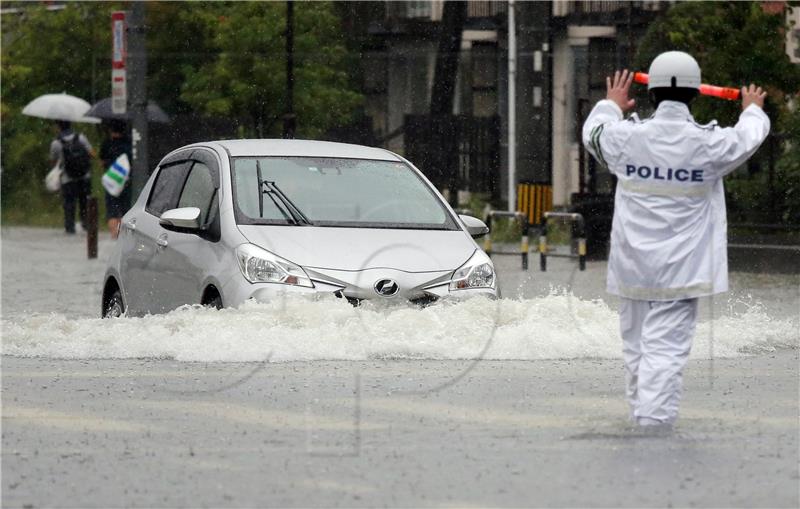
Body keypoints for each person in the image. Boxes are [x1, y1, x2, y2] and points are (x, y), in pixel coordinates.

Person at [581, 52, 770, 429]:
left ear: (650, 93)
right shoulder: (709, 145)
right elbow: (749, 137)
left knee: (636, 350)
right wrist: (751, 108)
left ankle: (641, 418)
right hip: (682, 270)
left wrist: (611, 104)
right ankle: (653, 428)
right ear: (696, 93)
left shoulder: (625, 140)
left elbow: (593, 133)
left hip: (633, 267)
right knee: (664, 352)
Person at [50, 120, 95, 234]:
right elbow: (92, 153)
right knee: (84, 201)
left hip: (67, 178)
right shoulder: (81, 138)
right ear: (70, 125)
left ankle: (70, 227)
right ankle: (86, 225)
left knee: (69, 203)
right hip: (84, 176)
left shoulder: (56, 143)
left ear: (58, 127)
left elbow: (53, 161)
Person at [99, 119, 133, 239]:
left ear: (110, 129)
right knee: (125, 209)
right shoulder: (129, 144)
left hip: (111, 181)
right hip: (126, 181)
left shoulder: (107, 143)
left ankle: (114, 235)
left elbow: (102, 162)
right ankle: (123, 236)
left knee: (112, 210)